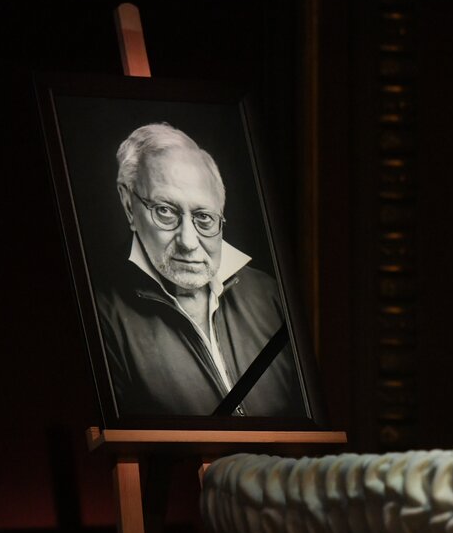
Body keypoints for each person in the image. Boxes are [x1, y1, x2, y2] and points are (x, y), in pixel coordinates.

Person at [96, 122, 306, 417]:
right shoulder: (99, 316)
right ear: (129, 204)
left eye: (204, 217)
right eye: (165, 211)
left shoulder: (271, 295)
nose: (188, 242)